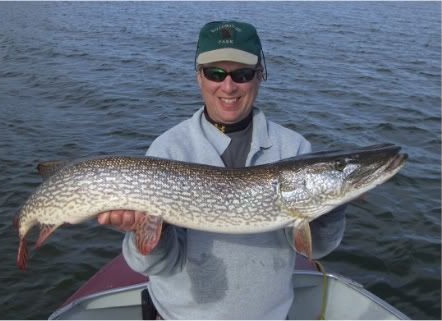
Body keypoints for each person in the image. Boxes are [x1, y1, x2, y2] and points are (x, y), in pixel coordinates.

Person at [97, 20, 345, 319]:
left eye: (242, 74)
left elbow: (316, 249)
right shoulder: (169, 149)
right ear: (198, 77)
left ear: (260, 75)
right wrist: (144, 229)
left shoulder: (293, 149)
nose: (228, 87)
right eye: (215, 73)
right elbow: (152, 266)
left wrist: (331, 204)